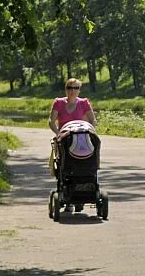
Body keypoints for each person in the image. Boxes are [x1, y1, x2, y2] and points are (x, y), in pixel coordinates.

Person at [48, 78, 96, 211]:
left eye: (75, 88)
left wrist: (91, 132)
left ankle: (83, 191)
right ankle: (68, 198)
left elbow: (92, 120)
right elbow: (52, 121)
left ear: (79, 90)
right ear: (66, 89)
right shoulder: (58, 103)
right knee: (64, 167)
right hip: (64, 139)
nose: (72, 91)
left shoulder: (84, 103)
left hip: (80, 137)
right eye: (70, 88)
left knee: (83, 163)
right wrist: (58, 133)